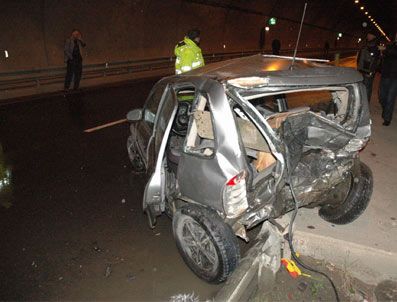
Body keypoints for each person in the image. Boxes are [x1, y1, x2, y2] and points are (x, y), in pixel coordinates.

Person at [379, 32, 397, 126]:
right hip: (385, 74)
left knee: (390, 97)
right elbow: (386, 55)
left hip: (395, 78)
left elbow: (393, 53)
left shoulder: (389, 48)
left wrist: (385, 50)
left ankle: (387, 118)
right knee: (382, 96)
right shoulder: (390, 45)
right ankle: (386, 110)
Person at [357, 32, 381, 102]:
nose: (367, 36)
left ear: (373, 36)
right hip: (362, 69)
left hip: (368, 71)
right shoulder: (367, 44)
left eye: (369, 34)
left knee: (367, 88)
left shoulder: (375, 46)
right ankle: (363, 102)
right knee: (363, 87)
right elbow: (361, 57)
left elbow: (376, 60)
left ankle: (366, 104)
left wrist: (371, 71)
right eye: (367, 34)